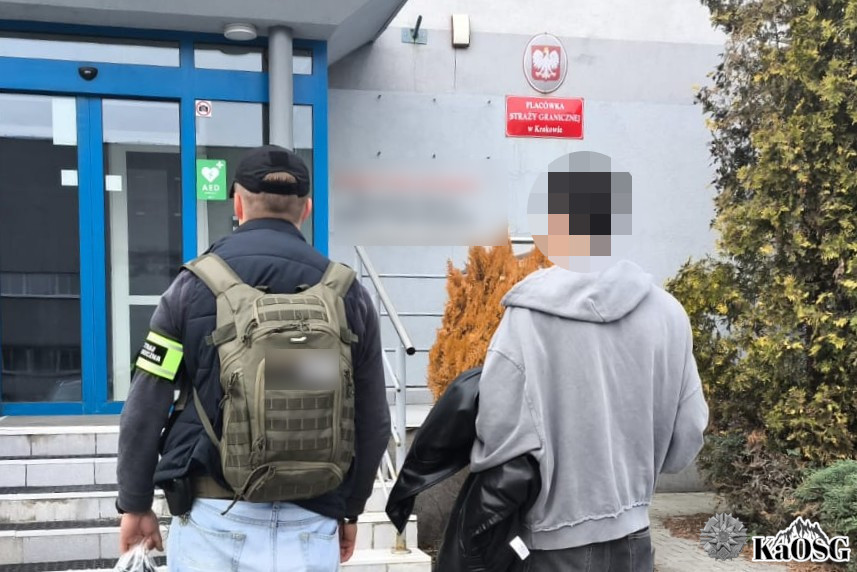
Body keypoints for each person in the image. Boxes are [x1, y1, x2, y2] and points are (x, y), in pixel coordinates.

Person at [116, 145, 391, 571]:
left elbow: (145, 405)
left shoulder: (191, 287)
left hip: (213, 518)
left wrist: (135, 503)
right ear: (306, 209)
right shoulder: (347, 292)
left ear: (238, 204)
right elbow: (373, 419)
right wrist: (351, 508)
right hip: (313, 518)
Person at [471, 260, 709, 571]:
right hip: (634, 539)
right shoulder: (669, 313)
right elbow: (688, 436)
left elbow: (497, 427)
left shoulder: (528, 314)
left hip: (550, 543)